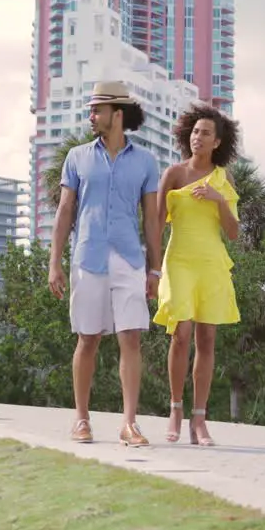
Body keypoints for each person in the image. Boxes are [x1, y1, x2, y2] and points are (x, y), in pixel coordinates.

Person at [48, 80, 163, 447]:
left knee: (131, 338)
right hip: (88, 257)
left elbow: (151, 220)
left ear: (117, 113)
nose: (90, 116)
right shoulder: (77, 158)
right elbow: (65, 211)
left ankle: (129, 424)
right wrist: (55, 262)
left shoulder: (146, 162)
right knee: (88, 338)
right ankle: (81, 419)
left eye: (96, 109)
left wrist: (155, 269)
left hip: (129, 259)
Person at [153, 101, 241, 447]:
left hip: (211, 263)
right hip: (179, 261)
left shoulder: (223, 179)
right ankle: (175, 409)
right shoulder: (173, 174)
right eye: (195, 132)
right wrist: (151, 267)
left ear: (217, 142)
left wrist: (219, 200)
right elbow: (157, 224)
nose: (198, 138)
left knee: (206, 340)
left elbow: (233, 233)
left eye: (205, 133)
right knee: (181, 333)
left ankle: (199, 419)